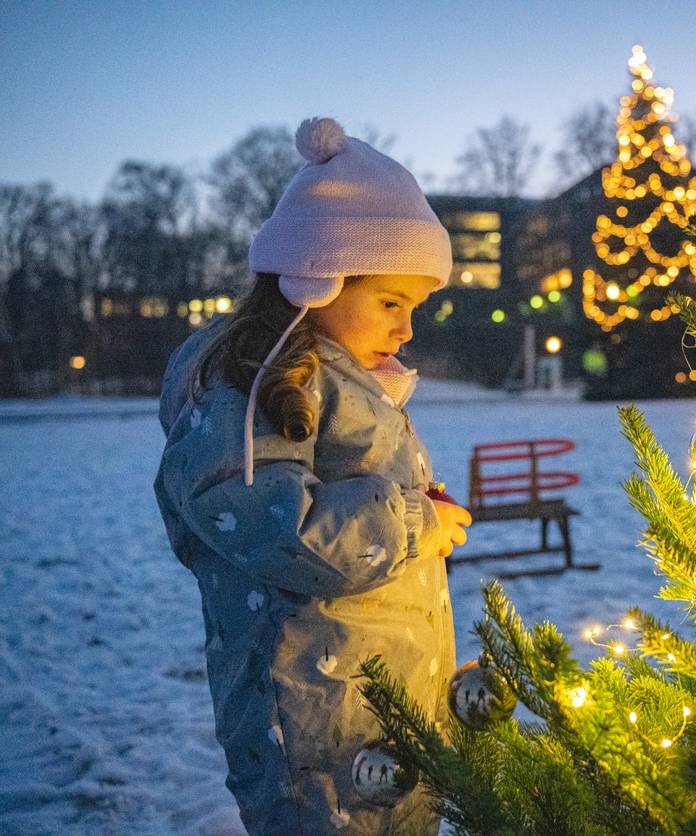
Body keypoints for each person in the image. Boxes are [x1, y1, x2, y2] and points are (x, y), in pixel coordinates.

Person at [154, 116, 471, 835]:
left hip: (376, 702)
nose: (407, 329)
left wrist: (420, 506)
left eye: (414, 308)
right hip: (312, 723)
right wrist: (413, 522)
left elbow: (355, 490)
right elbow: (280, 527)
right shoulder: (252, 391)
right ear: (316, 277)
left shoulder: (343, 380)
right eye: (392, 302)